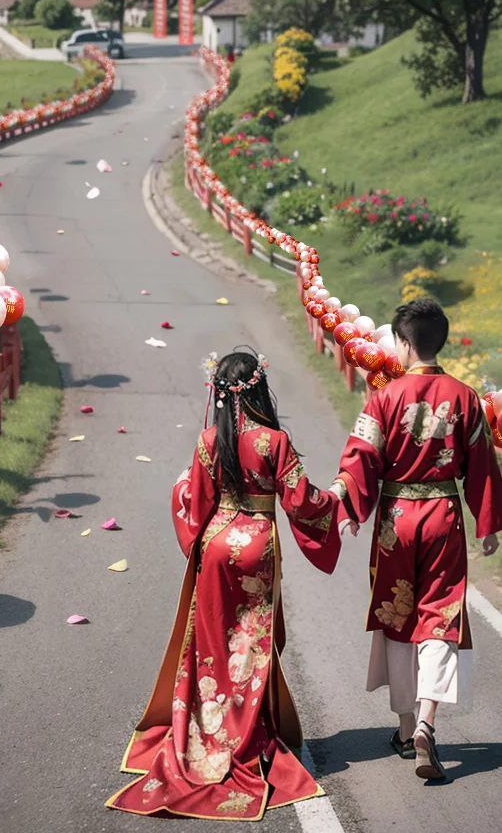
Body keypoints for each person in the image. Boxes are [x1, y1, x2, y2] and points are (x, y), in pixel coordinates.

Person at [106, 349, 353, 821]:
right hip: (257, 547)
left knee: (212, 645)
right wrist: (337, 494)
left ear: (218, 392)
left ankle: (206, 733)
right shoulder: (275, 441)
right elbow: (303, 502)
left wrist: (181, 484)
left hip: (217, 548)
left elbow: (192, 503)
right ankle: (247, 737)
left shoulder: (208, 440)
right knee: (250, 648)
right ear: (258, 388)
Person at [333, 298, 502, 781]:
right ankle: (428, 721)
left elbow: (362, 454)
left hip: (396, 519)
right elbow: (482, 466)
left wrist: (350, 509)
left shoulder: (386, 396)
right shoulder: (465, 396)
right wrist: (488, 523)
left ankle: (406, 730)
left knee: (397, 615)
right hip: (444, 516)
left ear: (404, 344)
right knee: (440, 619)